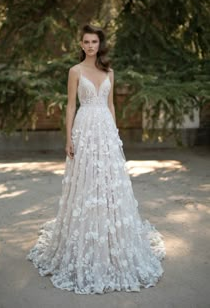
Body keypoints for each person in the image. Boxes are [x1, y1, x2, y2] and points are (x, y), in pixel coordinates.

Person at [26, 24, 166, 294]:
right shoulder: (75, 71)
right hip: (85, 129)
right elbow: (70, 105)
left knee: (109, 183)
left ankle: (112, 237)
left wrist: (115, 135)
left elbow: (112, 104)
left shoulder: (109, 71)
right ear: (81, 45)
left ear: (100, 45)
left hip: (105, 130)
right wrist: (68, 139)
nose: (90, 45)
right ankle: (84, 237)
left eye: (94, 42)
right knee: (86, 182)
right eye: (86, 41)